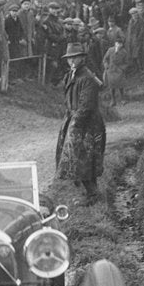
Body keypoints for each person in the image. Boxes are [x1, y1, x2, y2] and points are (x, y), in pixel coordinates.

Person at [55, 43, 106, 202]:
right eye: (69, 58)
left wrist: (74, 124)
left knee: (84, 158)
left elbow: (86, 105)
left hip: (87, 123)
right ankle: (89, 192)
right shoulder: (70, 75)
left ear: (82, 58)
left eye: (75, 57)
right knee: (76, 158)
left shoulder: (88, 78)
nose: (72, 61)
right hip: (74, 119)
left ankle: (92, 194)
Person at [102, 34, 130, 106]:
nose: (118, 45)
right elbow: (105, 59)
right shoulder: (110, 50)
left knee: (121, 85)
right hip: (111, 70)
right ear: (115, 44)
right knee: (111, 86)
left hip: (119, 71)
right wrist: (106, 66)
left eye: (120, 44)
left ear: (122, 45)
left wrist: (122, 69)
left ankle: (122, 99)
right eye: (117, 43)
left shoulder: (124, 52)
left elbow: (126, 62)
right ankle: (113, 100)